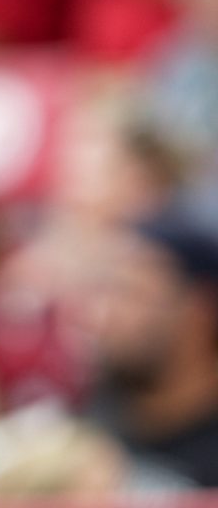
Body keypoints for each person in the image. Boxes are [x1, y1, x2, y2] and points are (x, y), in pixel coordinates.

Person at [81, 207, 218, 487]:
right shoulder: (91, 421)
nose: (105, 316)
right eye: (104, 293)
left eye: (130, 294)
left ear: (200, 310)